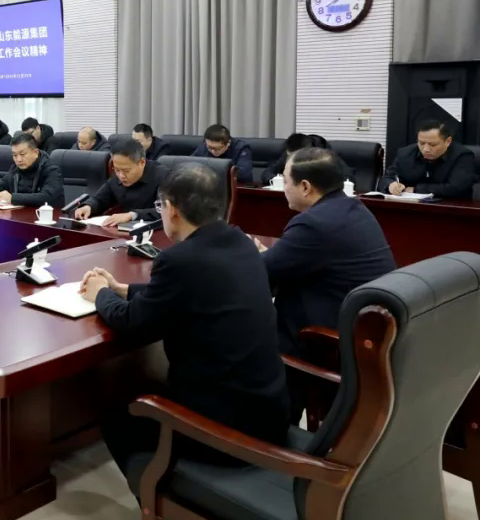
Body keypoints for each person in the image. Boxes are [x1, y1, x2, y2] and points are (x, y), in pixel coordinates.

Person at [79, 163, 289, 472]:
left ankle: (158, 492)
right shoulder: (241, 242)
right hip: (268, 412)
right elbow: (189, 293)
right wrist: (122, 289)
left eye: (160, 206)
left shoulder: (179, 259)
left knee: (117, 413)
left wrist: (100, 294)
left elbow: (133, 323)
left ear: (172, 210)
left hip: (226, 431)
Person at [253, 148, 396, 358]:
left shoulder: (313, 224)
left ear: (305, 187)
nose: (284, 188)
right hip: (363, 330)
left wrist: (249, 255)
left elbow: (258, 273)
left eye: (285, 181)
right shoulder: (354, 207)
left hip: (325, 341)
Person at [377, 120, 476, 199]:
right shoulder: (405, 154)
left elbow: (456, 188)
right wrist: (390, 185)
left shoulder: (462, 156)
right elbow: (386, 178)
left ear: (448, 141)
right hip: (410, 207)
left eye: (432, 144)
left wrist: (416, 189)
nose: (426, 149)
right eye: (421, 143)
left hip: (451, 209)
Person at [73, 138, 164, 225]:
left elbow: (164, 211)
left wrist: (132, 215)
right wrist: (89, 206)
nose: (121, 176)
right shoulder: (117, 176)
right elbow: (100, 199)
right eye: (117, 170)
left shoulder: (163, 176)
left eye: (126, 171)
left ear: (142, 163)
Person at [0, 132, 65, 209]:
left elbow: (47, 197)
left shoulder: (52, 170)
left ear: (36, 152)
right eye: (15, 155)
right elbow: (2, 184)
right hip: (21, 214)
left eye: (22, 154)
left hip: (47, 216)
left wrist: (13, 198)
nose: (18, 160)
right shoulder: (15, 169)